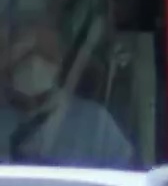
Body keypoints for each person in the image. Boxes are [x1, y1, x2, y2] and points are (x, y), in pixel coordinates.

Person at [0, 9, 133, 167]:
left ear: (60, 59)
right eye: (25, 55)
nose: (34, 64)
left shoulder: (97, 124)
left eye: (44, 53)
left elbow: (124, 178)